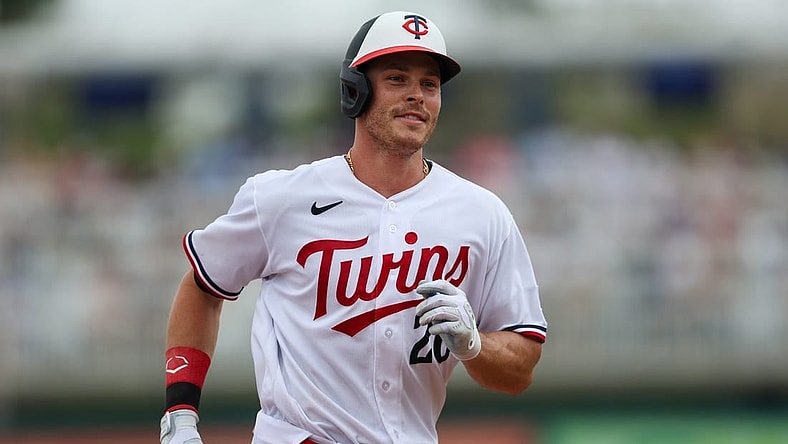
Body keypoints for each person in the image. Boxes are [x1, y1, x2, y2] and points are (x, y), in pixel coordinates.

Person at [160, 10, 547, 444]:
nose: (417, 95)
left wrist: (475, 345)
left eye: (429, 84)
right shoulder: (280, 198)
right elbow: (202, 285)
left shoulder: (482, 214)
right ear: (355, 91)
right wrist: (181, 412)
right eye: (397, 79)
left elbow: (521, 368)